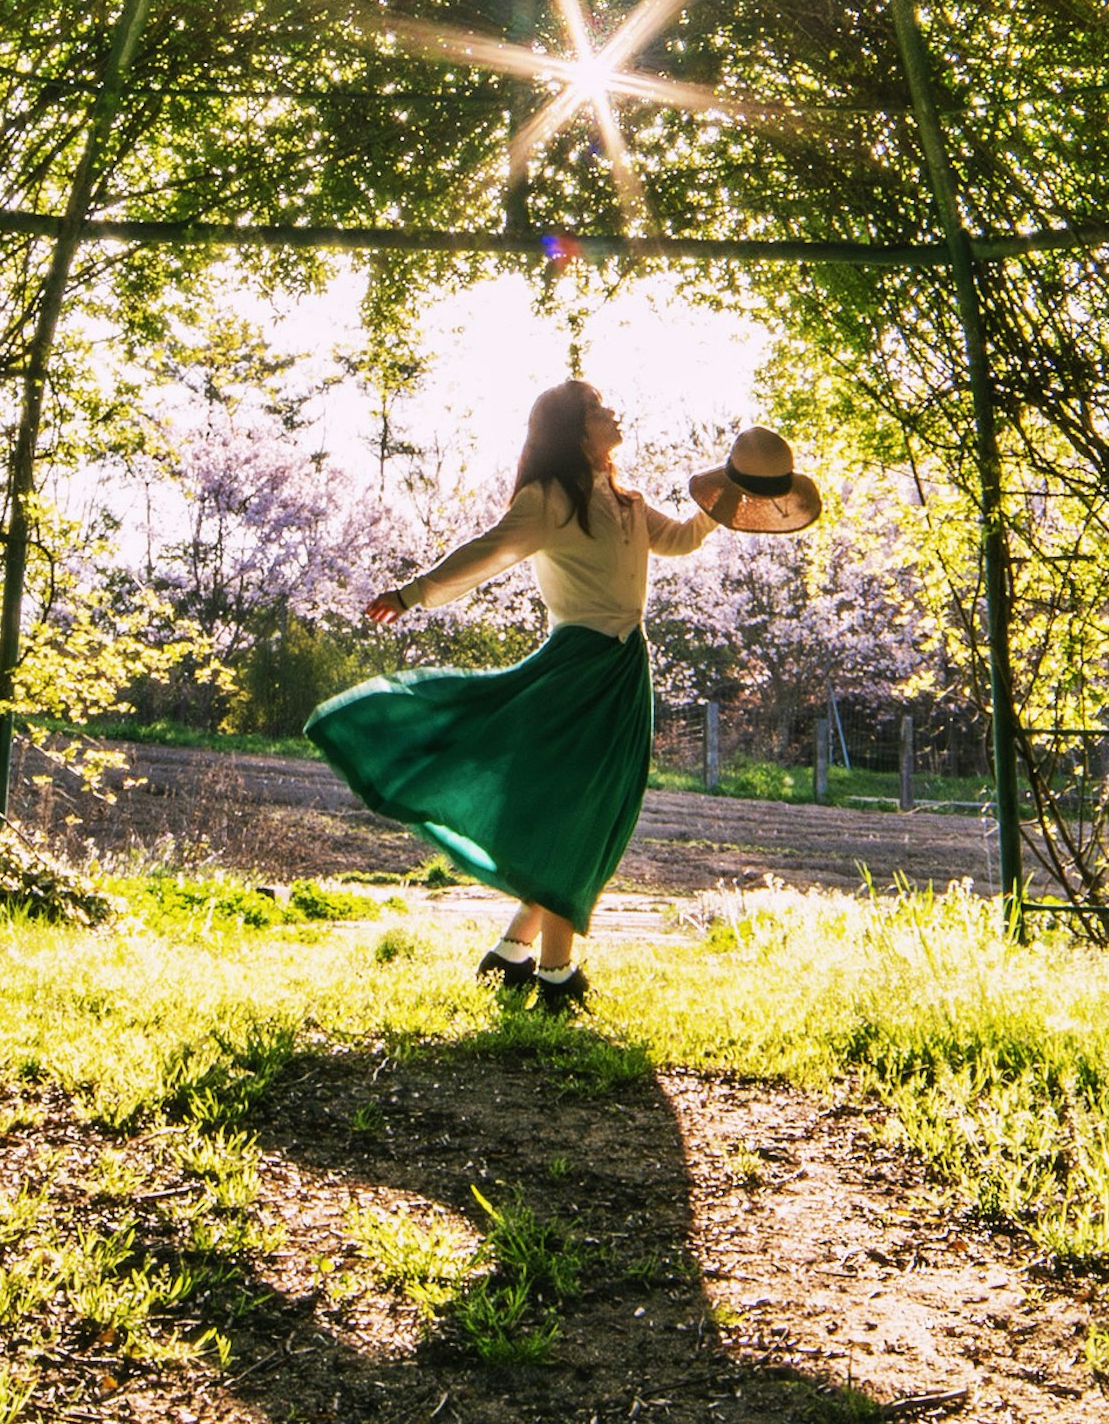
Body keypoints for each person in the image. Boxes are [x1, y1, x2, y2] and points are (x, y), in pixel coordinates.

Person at [314, 379, 795, 1006]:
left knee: (598, 809)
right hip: (576, 668)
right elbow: (488, 552)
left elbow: (676, 538)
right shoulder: (548, 500)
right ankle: (556, 975)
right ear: (574, 429)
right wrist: (413, 593)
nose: (613, 411)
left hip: (626, 670)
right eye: (598, 408)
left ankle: (511, 951)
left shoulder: (627, 499)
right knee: (577, 813)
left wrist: (725, 495)